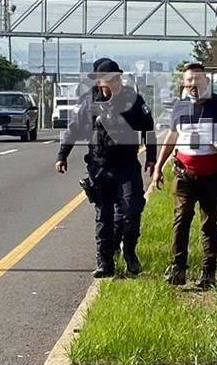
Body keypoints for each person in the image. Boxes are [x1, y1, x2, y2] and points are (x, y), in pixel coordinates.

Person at [153, 62, 217, 290]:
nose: (193, 85)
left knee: (209, 224)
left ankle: (208, 273)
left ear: (206, 82)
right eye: (189, 81)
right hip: (184, 174)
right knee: (182, 218)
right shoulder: (180, 107)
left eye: (197, 80)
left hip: (213, 175)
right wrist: (159, 166)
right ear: (184, 83)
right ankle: (177, 268)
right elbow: (171, 137)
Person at [56, 58, 156, 278]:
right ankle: (105, 262)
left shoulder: (133, 100)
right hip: (100, 166)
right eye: (110, 79)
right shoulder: (88, 102)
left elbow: (149, 127)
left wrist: (152, 156)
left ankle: (128, 252)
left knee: (132, 209)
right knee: (104, 217)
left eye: (117, 77)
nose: (115, 82)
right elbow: (73, 129)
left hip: (127, 165)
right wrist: (62, 155)